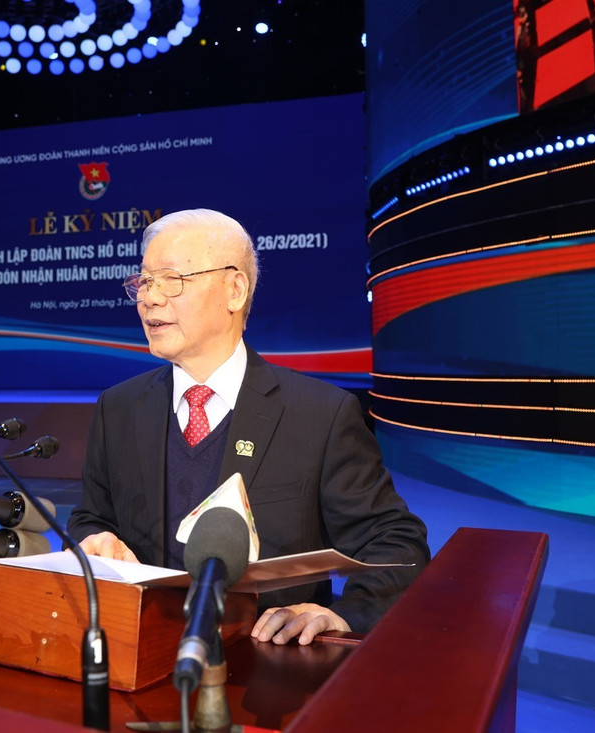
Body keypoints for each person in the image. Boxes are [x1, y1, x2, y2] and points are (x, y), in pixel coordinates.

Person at [66, 208, 429, 645]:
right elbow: (91, 517)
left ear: (235, 290)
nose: (150, 298)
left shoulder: (320, 414)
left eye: (171, 280)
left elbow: (395, 541)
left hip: (264, 671)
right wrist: (95, 538)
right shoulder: (118, 408)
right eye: (144, 281)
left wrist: (344, 614)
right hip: (140, 657)